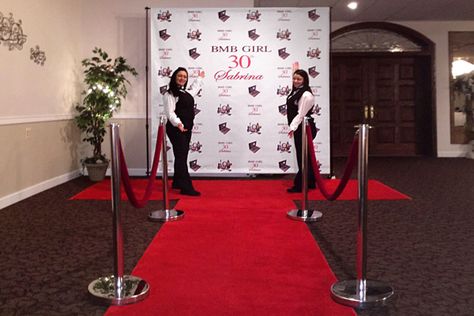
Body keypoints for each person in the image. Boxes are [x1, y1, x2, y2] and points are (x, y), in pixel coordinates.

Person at [163, 67, 204, 196]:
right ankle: (186, 187)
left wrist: (199, 78)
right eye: (180, 76)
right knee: (181, 156)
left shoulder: (185, 93)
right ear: (174, 77)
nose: (182, 78)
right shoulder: (169, 94)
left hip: (186, 129)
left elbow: (195, 89)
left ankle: (177, 182)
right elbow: (170, 113)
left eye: (185, 77)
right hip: (176, 128)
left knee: (181, 155)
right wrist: (178, 123)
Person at [286, 66, 317, 193]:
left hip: (304, 127)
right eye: (294, 78)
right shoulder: (296, 91)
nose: (296, 81)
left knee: (303, 156)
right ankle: (309, 182)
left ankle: (301, 184)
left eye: (299, 79)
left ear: (304, 80)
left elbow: (301, 114)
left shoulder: (306, 94)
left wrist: (292, 127)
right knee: (304, 155)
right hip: (300, 127)